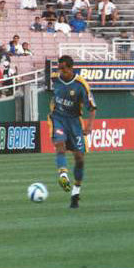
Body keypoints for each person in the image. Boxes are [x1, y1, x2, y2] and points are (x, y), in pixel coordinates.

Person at [49, 55, 96, 209]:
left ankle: (75, 192)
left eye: (63, 68)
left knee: (79, 158)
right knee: (60, 145)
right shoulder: (55, 79)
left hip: (75, 122)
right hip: (58, 118)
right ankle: (63, 175)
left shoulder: (81, 85)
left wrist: (89, 126)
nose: (60, 71)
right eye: (59, 68)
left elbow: (92, 107)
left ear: (70, 68)